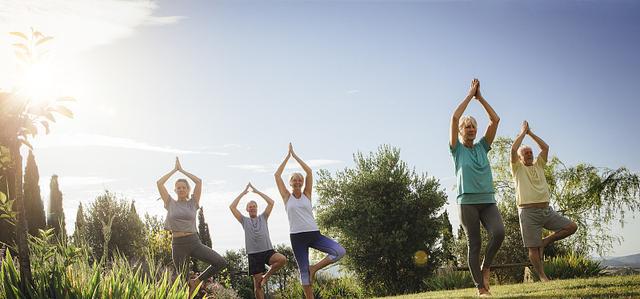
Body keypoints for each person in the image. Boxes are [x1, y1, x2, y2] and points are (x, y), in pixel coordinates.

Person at [449, 79, 505, 296]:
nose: (471, 129)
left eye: (473, 126)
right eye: (467, 126)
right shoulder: (456, 149)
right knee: (475, 243)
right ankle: (481, 288)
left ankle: (486, 266)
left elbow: (496, 119)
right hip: (467, 203)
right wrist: (469, 94)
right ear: (461, 131)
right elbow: (454, 117)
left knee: (499, 233)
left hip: (488, 200)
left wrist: (479, 98)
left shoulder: (483, 146)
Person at [274, 143, 346, 299]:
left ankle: (315, 268)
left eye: (300, 180)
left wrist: (295, 156)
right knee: (303, 273)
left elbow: (309, 172)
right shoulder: (287, 197)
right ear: (290, 183)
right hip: (297, 237)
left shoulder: (307, 194)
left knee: (339, 251)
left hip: (314, 234)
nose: (298, 182)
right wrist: (288, 157)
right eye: (295, 180)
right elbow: (277, 175)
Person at [511, 120, 578, 281]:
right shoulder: (517, 168)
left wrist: (530, 133)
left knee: (571, 227)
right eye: (526, 153)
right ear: (520, 158)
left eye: (530, 152)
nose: (530, 154)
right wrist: (522, 133)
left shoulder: (539, 164)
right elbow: (513, 149)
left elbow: (545, 148)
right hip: (528, 212)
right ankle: (542, 277)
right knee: (532, 248)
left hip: (547, 211)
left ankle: (545, 241)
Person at [157, 157, 227, 295]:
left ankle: (196, 281)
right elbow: (159, 183)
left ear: (188, 189)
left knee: (220, 262)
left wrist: (182, 170)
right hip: (178, 245)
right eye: (178, 188)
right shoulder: (170, 202)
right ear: (175, 190)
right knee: (182, 282)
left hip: (194, 242)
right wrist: (174, 170)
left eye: (184, 187)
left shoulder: (193, 202)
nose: (181, 189)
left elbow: (199, 181)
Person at [230, 182, 288, 298]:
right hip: (253, 254)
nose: (252, 208)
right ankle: (263, 281)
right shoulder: (244, 220)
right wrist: (243, 193)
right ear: (247, 209)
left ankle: (266, 276)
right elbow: (232, 207)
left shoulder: (264, 217)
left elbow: (271, 202)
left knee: (282, 259)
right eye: (250, 207)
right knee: (258, 286)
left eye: (254, 206)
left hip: (267, 251)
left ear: (257, 208)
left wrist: (257, 192)